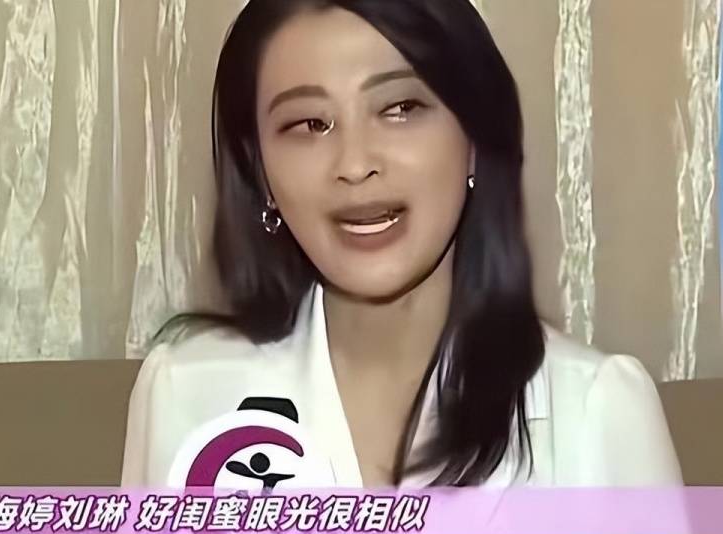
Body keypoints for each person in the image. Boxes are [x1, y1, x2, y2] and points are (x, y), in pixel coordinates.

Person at [121, 0, 683, 490]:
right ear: (259, 170)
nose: (355, 164)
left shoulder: (595, 410)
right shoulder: (183, 393)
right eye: (310, 124)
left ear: (474, 140)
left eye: (400, 109)